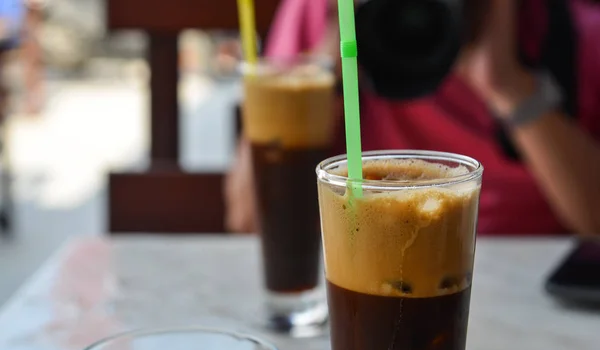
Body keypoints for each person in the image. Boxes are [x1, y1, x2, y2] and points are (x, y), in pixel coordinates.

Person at [226, 0, 600, 236]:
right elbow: (249, 217)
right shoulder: (324, 10)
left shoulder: (567, 30)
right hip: (366, 267)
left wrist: (508, 85)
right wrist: (330, 64)